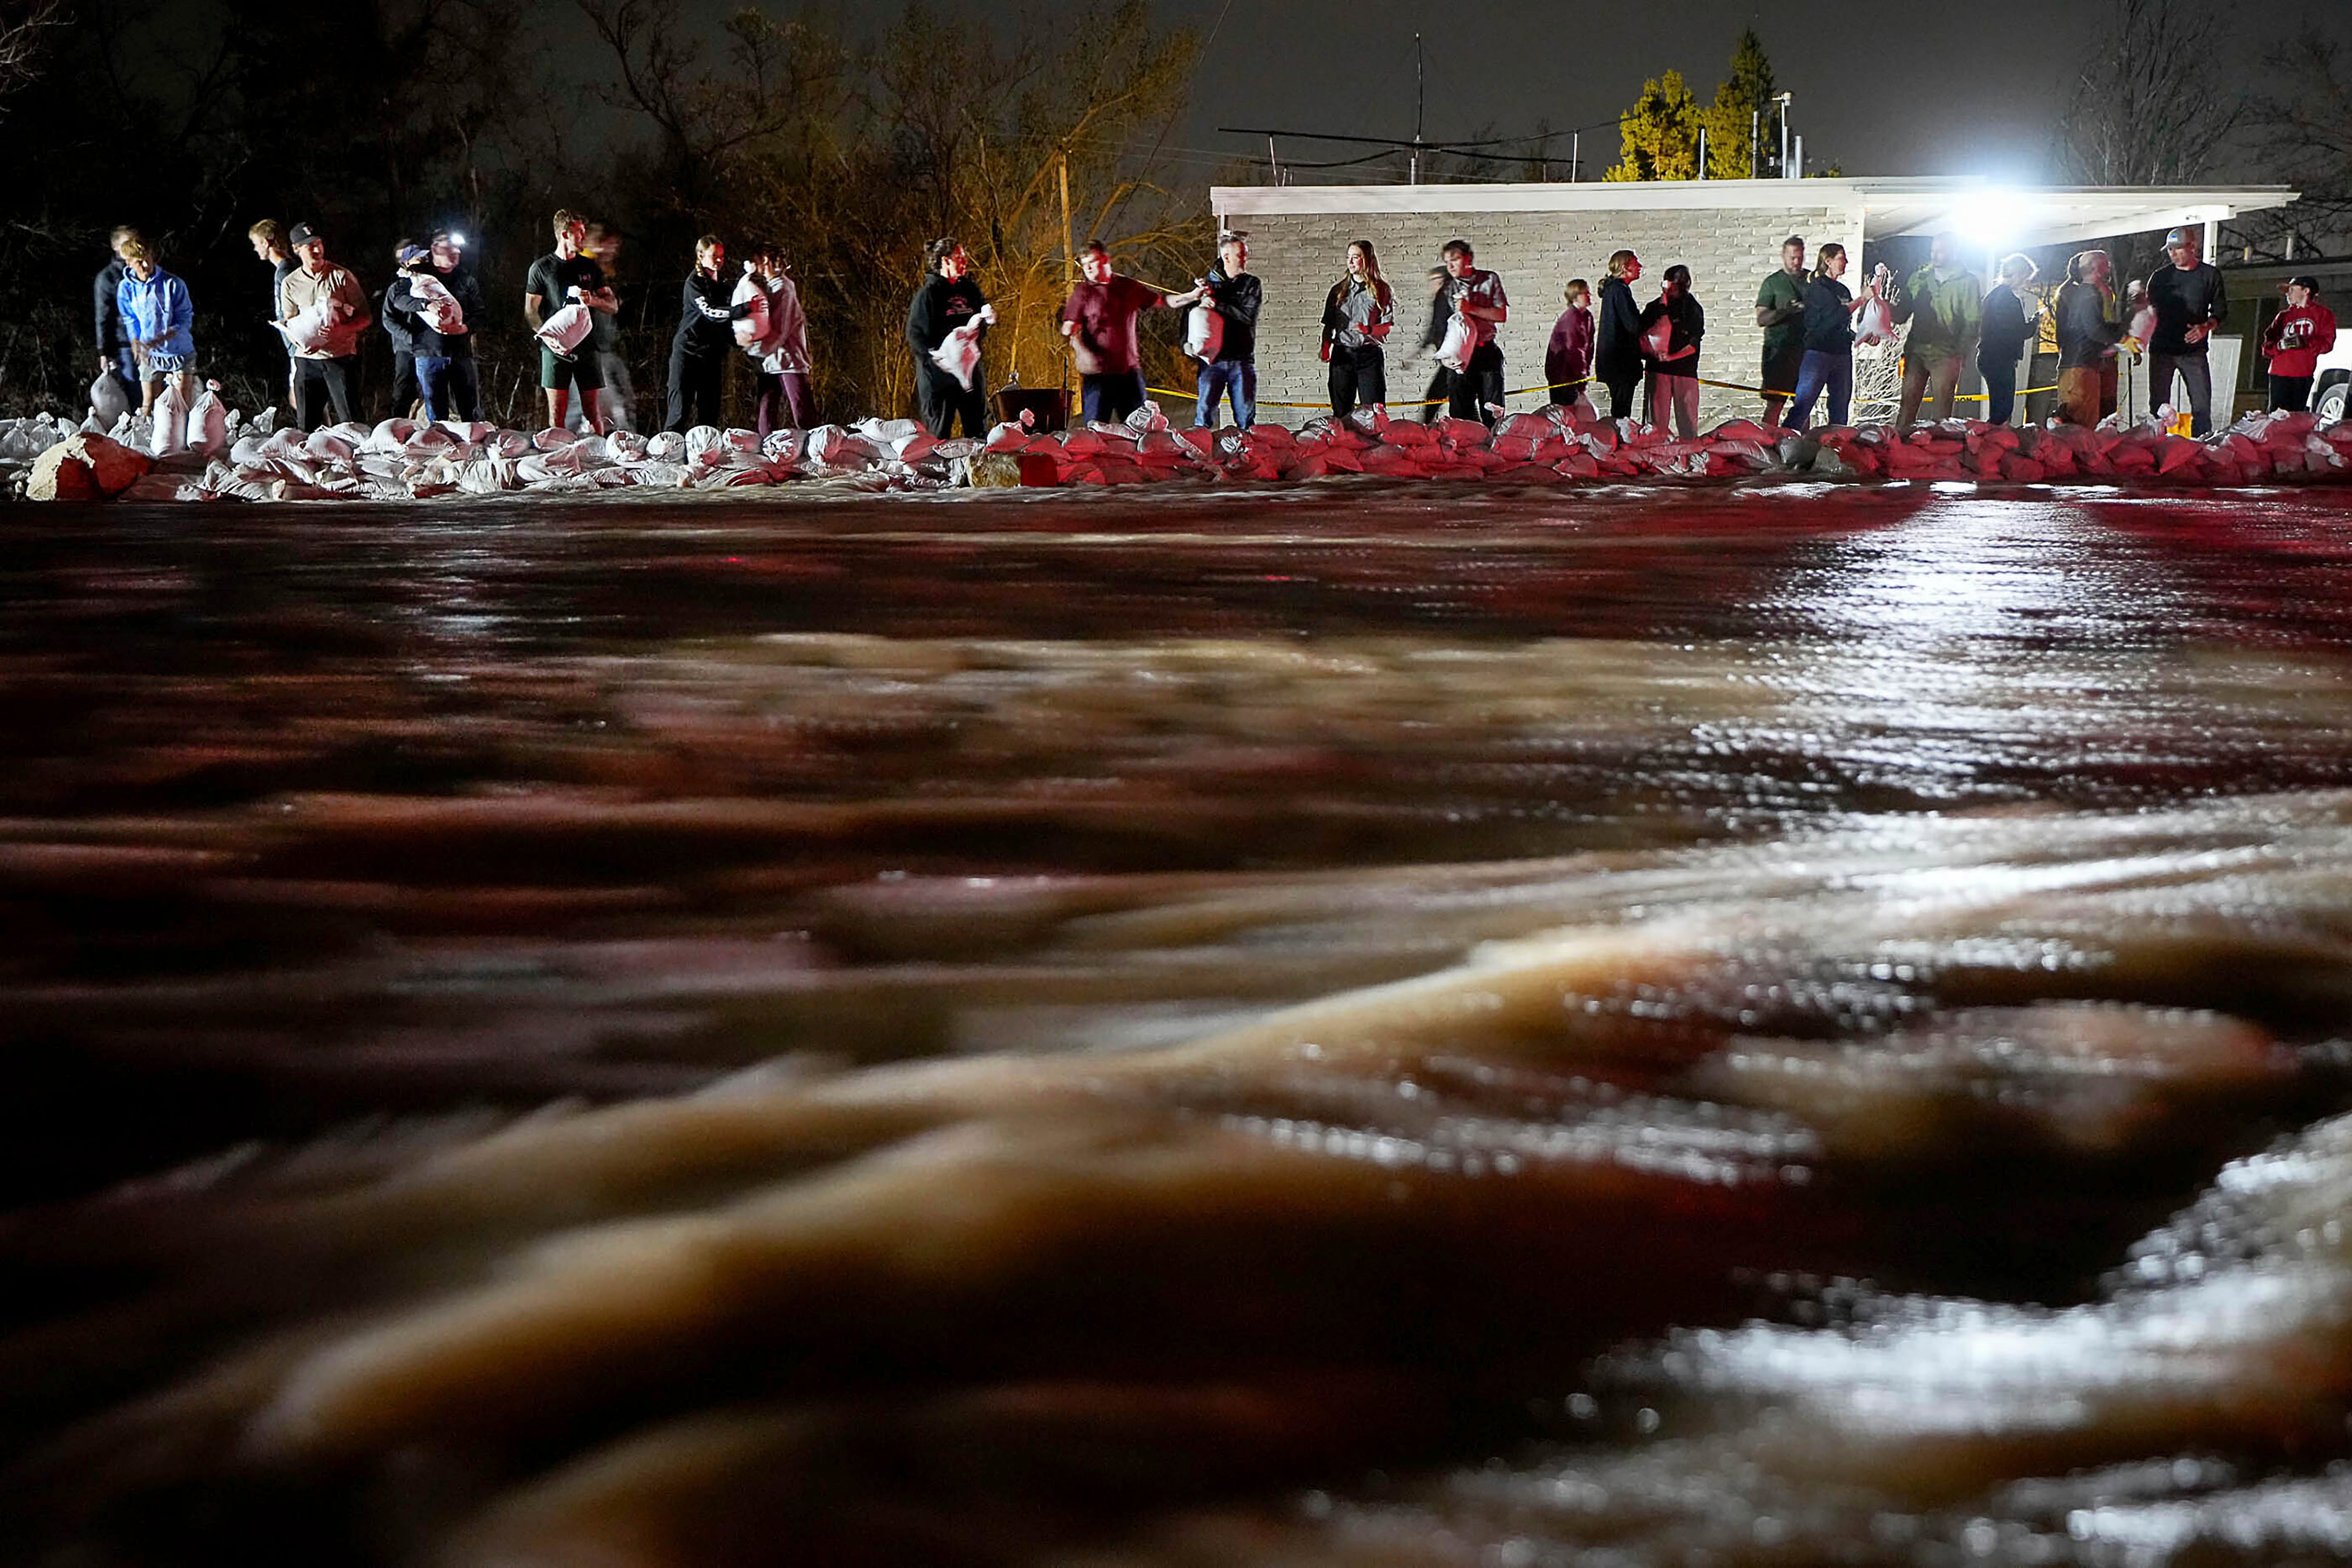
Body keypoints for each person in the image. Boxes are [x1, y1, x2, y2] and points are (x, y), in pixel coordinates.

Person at [524, 209, 618, 433]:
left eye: (585, 232)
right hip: (555, 350)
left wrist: (593, 299)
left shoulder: (589, 267)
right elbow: (531, 311)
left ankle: (599, 456)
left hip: (588, 347)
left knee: (593, 413)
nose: (584, 237)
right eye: (579, 233)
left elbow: (613, 305)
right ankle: (557, 459)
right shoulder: (542, 268)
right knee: (557, 415)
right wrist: (547, 338)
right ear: (564, 235)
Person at [1060, 241, 1172, 426]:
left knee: (1139, 429)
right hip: (1098, 375)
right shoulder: (1083, 292)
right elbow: (1068, 329)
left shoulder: (1128, 288)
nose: (1087, 268)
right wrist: (1081, 350)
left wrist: (1192, 296)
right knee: (1095, 430)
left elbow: (1164, 302)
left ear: (1105, 260)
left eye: (1092, 262)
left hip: (1129, 374)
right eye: (1083, 263)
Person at [276, 221, 372, 430]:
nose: (317, 250)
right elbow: (290, 320)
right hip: (307, 361)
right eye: (310, 246)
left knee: (352, 422)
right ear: (297, 249)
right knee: (307, 426)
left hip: (340, 359)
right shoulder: (290, 283)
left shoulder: (341, 276)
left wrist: (342, 330)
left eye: (319, 244)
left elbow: (366, 317)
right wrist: (300, 341)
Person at [389, 230, 484, 422]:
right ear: (434, 250)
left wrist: (465, 328)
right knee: (437, 413)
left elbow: (481, 314)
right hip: (429, 353)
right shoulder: (419, 277)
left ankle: (471, 449)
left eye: (457, 248)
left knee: (470, 410)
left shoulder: (466, 280)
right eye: (449, 247)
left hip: (461, 353)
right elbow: (398, 300)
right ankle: (442, 448)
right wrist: (425, 304)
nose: (455, 252)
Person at [1891, 231, 1982, 431]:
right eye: (1933, 251)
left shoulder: (1968, 283)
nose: (1934, 255)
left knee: (1942, 413)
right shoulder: (1919, 279)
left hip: (1946, 355)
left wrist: (1960, 354)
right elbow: (1901, 314)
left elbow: (1973, 322)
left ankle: (1938, 453)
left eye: (1940, 251)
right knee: (1907, 406)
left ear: (1954, 252)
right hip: (1916, 351)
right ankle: (1899, 450)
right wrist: (1878, 305)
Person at [2146, 226, 2228, 435]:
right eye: (2170, 250)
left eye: (2178, 249)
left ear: (2193, 247)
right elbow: (2147, 311)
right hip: (2162, 348)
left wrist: (2206, 327)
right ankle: (2156, 446)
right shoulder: (2160, 277)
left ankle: (2201, 447)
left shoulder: (2209, 275)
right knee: (2158, 405)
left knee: (2201, 406)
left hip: (2193, 351)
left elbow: (2220, 311)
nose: (2173, 255)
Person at [906, 237, 991, 438]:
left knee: (978, 430)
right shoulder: (929, 295)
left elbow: (981, 319)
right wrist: (937, 359)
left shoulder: (970, 290)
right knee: (939, 435)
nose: (965, 262)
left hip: (970, 375)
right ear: (946, 261)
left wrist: (987, 320)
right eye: (960, 257)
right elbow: (915, 335)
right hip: (939, 380)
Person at [1783, 242, 1872, 431]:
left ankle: (1835, 446)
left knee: (1841, 405)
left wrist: (1862, 337)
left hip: (1842, 354)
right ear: (1828, 261)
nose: (1846, 262)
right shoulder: (1818, 288)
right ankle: (1786, 441)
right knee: (1804, 404)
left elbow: (1843, 325)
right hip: (1819, 353)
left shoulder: (1843, 291)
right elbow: (1833, 317)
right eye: (1842, 258)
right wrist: (1862, 299)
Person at [666, 234, 741, 433]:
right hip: (688, 353)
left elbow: (727, 326)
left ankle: (706, 458)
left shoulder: (724, 286)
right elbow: (712, 312)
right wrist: (743, 310)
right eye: (714, 256)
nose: (719, 260)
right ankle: (668, 456)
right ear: (701, 255)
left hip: (712, 356)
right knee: (679, 412)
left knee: (710, 415)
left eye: (722, 257)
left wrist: (745, 343)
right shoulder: (695, 283)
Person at [114, 237, 194, 418]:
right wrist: (135, 339)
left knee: (180, 405)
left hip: (179, 352)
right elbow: (129, 317)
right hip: (149, 354)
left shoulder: (173, 284)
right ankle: (148, 440)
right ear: (129, 263)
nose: (144, 265)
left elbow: (185, 319)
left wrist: (164, 336)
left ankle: (183, 442)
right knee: (149, 403)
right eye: (138, 262)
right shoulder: (126, 288)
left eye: (147, 259)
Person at [741, 244, 815, 435]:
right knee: (767, 412)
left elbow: (779, 330)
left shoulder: (783, 289)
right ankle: (769, 455)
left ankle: (816, 453)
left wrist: (754, 347)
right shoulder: (771, 289)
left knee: (803, 414)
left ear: (765, 261)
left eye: (757, 261)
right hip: (772, 362)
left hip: (789, 361)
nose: (754, 265)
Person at [1192, 229, 1261, 430]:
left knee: (1246, 421)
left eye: (1246, 254)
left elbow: (1247, 316)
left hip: (1241, 360)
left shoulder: (1251, 284)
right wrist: (1187, 345)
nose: (1245, 259)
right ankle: (1202, 456)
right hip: (1212, 362)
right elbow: (1190, 315)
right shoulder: (1208, 284)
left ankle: (1247, 456)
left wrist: (1217, 303)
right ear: (1227, 257)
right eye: (1241, 254)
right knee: (1203, 419)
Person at [1437, 238, 1509, 426]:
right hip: (1460, 359)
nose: (1450, 266)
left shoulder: (1489, 279)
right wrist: (1445, 357)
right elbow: (1440, 327)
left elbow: (1501, 314)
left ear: (1468, 258)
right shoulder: (1447, 288)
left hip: (1486, 353)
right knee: (1460, 417)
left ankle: (1494, 450)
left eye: (1455, 260)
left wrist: (1471, 309)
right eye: (1447, 262)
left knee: (1493, 413)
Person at [1320, 238, 1394, 420]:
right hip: (1342, 355)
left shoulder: (1382, 290)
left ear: (1367, 260)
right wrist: (1325, 347)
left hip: (1369, 357)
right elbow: (1329, 324)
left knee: (1374, 413)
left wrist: (1368, 330)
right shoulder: (1338, 291)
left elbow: (1386, 327)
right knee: (1341, 412)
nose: (1351, 262)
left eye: (1356, 257)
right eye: (1348, 258)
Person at [2051, 249, 2124, 428]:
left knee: (2079, 422)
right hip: (2084, 364)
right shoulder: (2089, 294)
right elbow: (2095, 329)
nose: (2109, 267)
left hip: (2079, 362)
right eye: (2106, 264)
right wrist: (2122, 337)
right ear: (2096, 268)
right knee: (2083, 426)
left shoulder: (2078, 293)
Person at [577, 223, 637, 433]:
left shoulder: (604, 272)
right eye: (611, 246)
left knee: (623, 398)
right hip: (591, 349)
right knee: (605, 404)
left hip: (607, 347)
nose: (614, 251)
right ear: (599, 244)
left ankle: (626, 436)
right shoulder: (585, 268)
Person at [1637, 263, 1704, 437]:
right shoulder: (1654, 308)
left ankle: (1689, 456)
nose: (1670, 289)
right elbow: (1641, 335)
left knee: (1688, 423)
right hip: (1659, 371)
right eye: (1668, 284)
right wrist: (1651, 353)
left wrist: (1672, 357)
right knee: (1656, 424)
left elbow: (1693, 345)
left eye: (1674, 285)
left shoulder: (1692, 309)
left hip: (1684, 372)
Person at [1978, 253, 2039, 426]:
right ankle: (1990, 441)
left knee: (1999, 407)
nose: (2027, 282)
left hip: (1988, 356)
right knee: (2003, 410)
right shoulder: (2011, 300)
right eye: (2027, 278)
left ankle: (1991, 440)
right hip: (2001, 359)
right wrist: (2034, 323)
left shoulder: (1992, 297)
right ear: (2019, 274)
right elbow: (2019, 331)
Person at [2261, 276, 2337, 413]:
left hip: (2303, 373)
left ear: (2306, 291)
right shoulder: (2283, 316)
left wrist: (2306, 343)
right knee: (2276, 415)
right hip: (2279, 372)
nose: (2288, 294)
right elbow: (2267, 346)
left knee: (2296, 416)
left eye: (2291, 290)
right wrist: (2279, 346)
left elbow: (2327, 344)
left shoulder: (2323, 314)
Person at [1754, 235, 1808, 425]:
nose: (1796, 262)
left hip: (1805, 352)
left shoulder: (1811, 281)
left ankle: (1801, 447)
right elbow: (1762, 319)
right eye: (1792, 257)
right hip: (1778, 352)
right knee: (1775, 405)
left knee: (1804, 405)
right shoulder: (1773, 283)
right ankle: (1767, 444)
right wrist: (1786, 311)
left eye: (1800, 258)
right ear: (1783, 255)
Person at [249, 220, 298, 406]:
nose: (255, 249)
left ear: (266, 243)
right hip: (295, 347)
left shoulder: (285, 271)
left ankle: (319, 434)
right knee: (301, 398)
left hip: (298, 348)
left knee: (300, 399)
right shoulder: (286, 269)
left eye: (256, 244)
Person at [1592, 249, 1646, 422]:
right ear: (1625, 268)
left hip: (1614, 363)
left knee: (1619, 409)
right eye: (1636, 263)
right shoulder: (1620, 290)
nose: (1640, 267)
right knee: (1622, 413)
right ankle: (1618, 444)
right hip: (1621, 364)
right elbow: (1634, 325)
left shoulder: (1613, 290)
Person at [93, 225, 140, 411]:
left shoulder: (146, 270)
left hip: (156, 344)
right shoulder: (108, 278)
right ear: (115, 246)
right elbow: (103, 317)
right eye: (127, 244)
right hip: (126, 346)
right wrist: (104, 351)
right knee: (136, 396)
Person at [381, 240, 425, 422]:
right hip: (406, 349)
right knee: (403, 392)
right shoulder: (398, 288)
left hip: (430, 348)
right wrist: (410, 337)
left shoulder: (431, 283)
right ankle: (396, 427)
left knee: (430, 392)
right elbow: (388, 320)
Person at [1544, 279, 1595, 418]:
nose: (1589, 296)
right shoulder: (1570, 319)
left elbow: (1589, 347)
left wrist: (1585, 372)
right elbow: (1573, 350)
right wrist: (1580, 376)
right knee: (1568, 414)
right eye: (1585, 293)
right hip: (1563, 375)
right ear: (1575, 296)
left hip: (1576, 375)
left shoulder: (1587, 317)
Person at [1414, 266, 1452, 422]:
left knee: (1434, 398)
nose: (1432, 284)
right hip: (1450, 361)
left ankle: (1425, 430)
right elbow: (1434, 330)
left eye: (1436, 280)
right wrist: (1417, 353)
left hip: (1454, 361)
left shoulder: (1446, 299)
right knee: (1461, 401)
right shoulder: (1441, 300)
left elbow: (1442, 329)